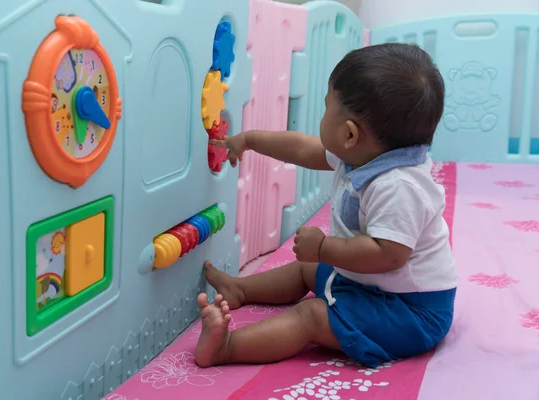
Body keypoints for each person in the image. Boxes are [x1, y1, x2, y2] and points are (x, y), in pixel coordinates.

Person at [194, 43, 458, 369]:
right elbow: (304, 149)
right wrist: (249, 140)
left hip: (411, 311)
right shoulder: (364, 154)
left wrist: (324, 248)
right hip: (370, 284)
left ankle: (227, 348)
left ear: (349, 134)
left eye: (326, 107)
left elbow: (388, 254)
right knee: (308, 271)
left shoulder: (398, 187)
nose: (321, 116)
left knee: (312, 314)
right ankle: (240, 290)